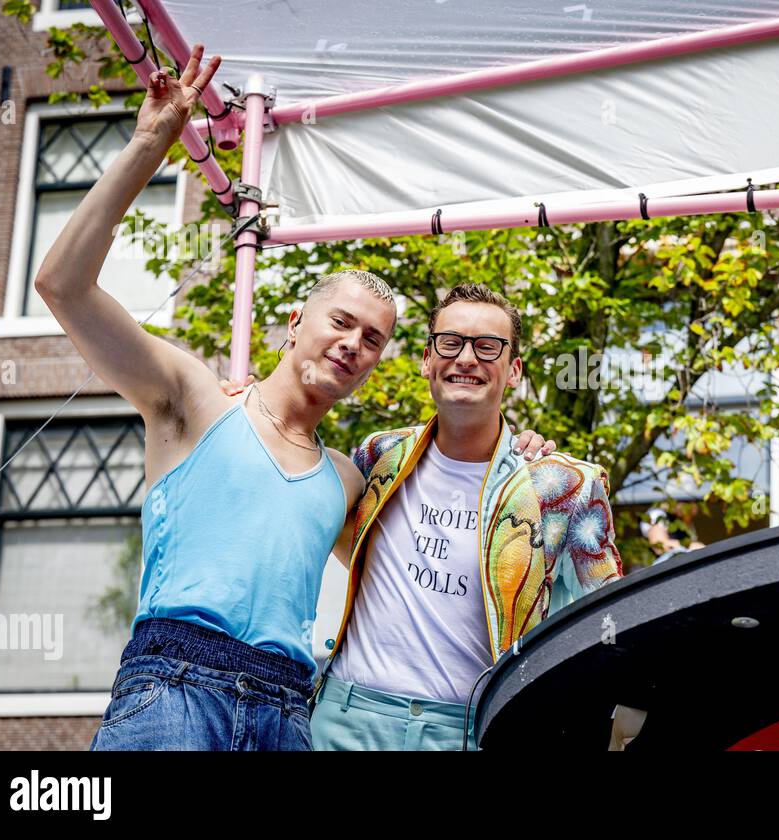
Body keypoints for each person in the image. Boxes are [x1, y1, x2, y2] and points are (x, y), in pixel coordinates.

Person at [33, 47, 554, 750]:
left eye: (372, 339)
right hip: (175, 692)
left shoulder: (350, 478)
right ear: (293, 323)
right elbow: (63, 286)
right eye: (340, 322)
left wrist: (518, 451)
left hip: (288, 711)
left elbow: (440, 545)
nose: (352, 344)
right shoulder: (194, 401)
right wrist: (147, 146)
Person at [310, 283, 624, 750]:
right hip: (346, 720)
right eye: (450, 342)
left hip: (474, 730)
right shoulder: (379, 454)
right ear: (426, 360)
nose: (466, 359)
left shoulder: (564, 487)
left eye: (488, 347)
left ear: (513, 369)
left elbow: (612, 620)